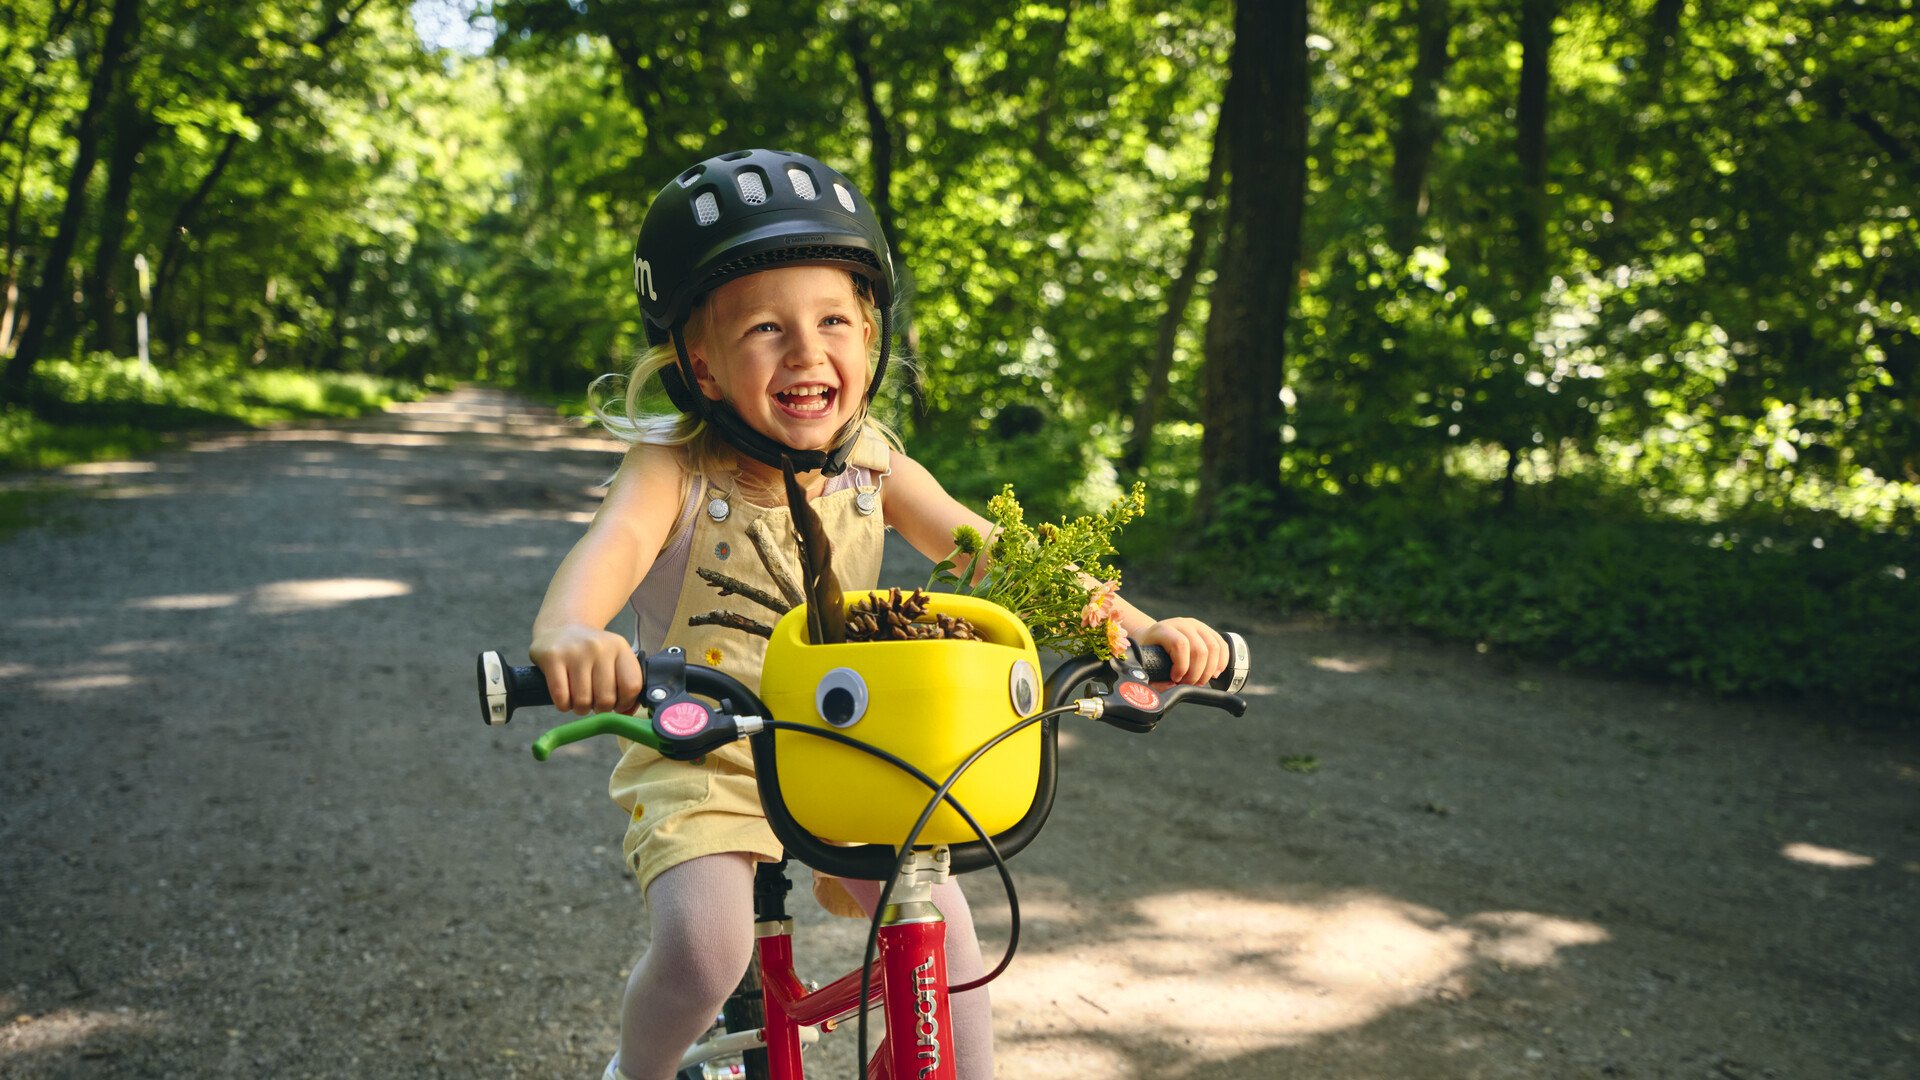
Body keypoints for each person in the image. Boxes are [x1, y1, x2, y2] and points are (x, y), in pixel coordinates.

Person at [528, 147, 1230, 1080]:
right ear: (700, 362)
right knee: (706, 950)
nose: (806, 351)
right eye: (764, 330)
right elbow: (608, 552)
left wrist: (1134, 628)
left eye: (832, 321)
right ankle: (638, 1071)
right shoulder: (675, 470)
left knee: (948, 952)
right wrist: (571, 633)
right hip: (711, 746)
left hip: (855, 746)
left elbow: (996, 553)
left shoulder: (873, 461)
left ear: (870, 335)